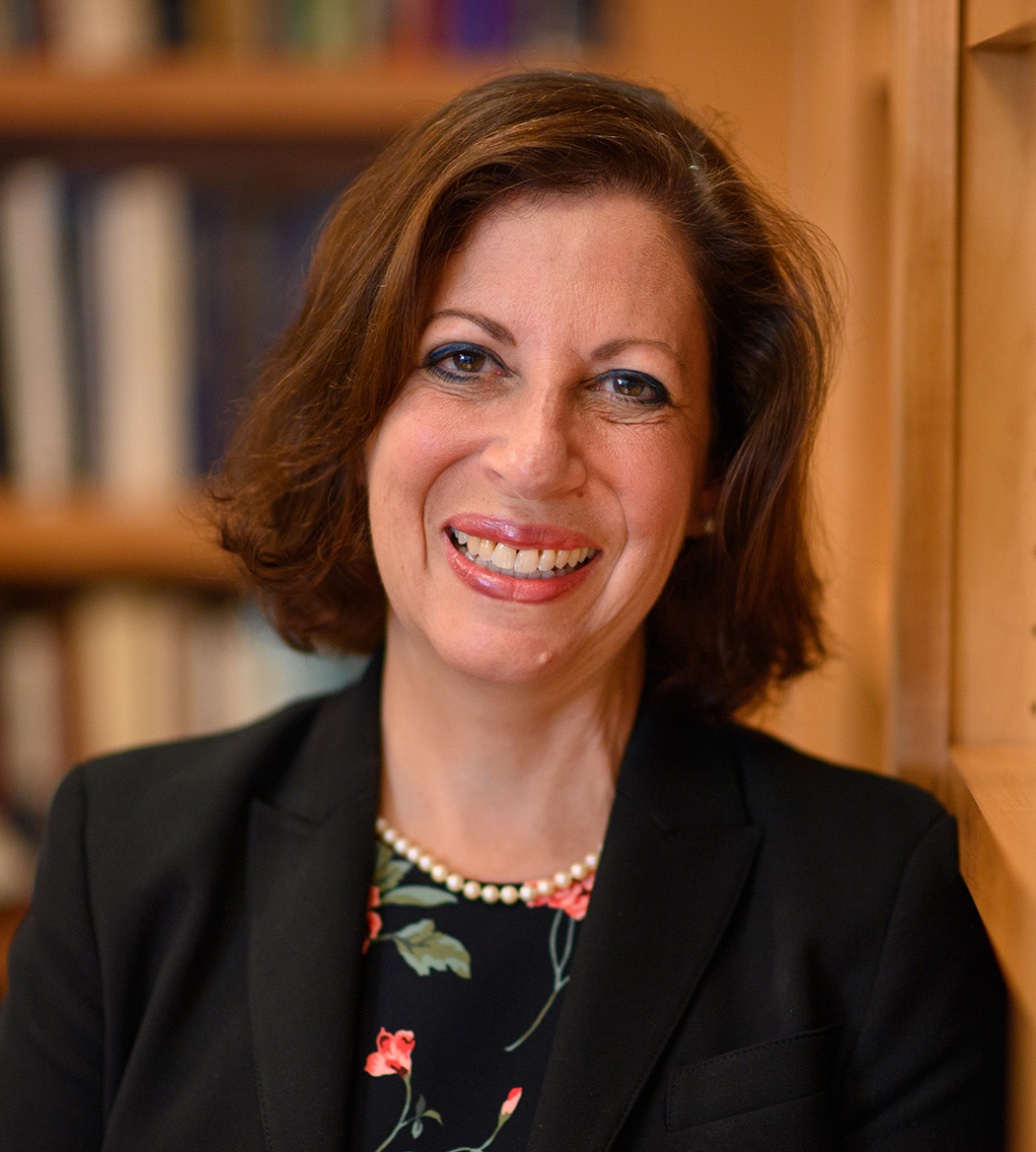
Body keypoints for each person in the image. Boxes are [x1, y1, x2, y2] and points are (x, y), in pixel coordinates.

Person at [0, 71, 1005, 1151]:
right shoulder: (124, 855)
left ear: (713, 474)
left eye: (629, 387)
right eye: (464, 359)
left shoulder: (875, 891)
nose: (532, 459)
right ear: (359, 418)